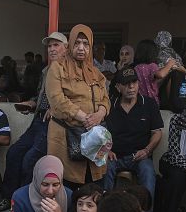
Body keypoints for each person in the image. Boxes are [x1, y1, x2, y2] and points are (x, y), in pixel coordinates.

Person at [0, 31, 67, 208]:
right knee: (14, 152)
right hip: (38, 120)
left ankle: (25, 204)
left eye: (56, 45)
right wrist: (31, 103)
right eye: (50, 46)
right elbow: (42, 96)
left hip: (53, 124)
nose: (52, 49)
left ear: (66, 49)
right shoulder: (46, 70)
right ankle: (9, 198)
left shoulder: (69, 70)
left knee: (30, 159)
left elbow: (73, 98)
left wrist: (56, 107)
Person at [45, 24, 111, 189]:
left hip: (93, 136)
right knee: (68, 184)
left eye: (86, 44)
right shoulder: (58, 68)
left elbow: (105, 98)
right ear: (70, 45)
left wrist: (100, 114)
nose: (81, 48)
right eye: (77, 43)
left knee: (93, 183)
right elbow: (57, 100)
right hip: (66, 135)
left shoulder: (96, 73)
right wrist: (85, 118)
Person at [102, 66, 163, 199]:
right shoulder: (110, 105)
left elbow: (157, 133)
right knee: (102, 169)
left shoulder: (149, 104)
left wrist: (147, 150)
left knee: (148, 173)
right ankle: (104, 208)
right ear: (118, 87)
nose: (131, 87)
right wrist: (106, 150)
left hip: (140, 156)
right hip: (114, 156)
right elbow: (100, 132)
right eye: (126, 83)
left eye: (134, 82)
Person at [133, 39, 175, 106]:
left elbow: (151, 81)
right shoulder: (152, 66)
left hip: (139, 101)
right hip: (151, 102)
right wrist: (170, 64)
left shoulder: (136, 67)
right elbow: (161, 75)